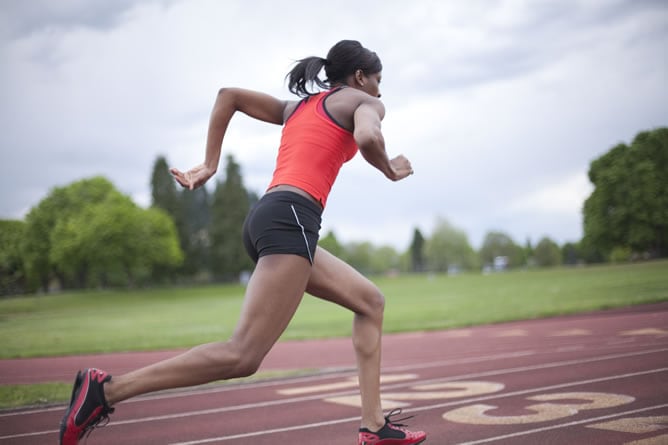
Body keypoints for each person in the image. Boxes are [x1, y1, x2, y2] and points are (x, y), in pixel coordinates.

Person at [59, 39, 426, 445]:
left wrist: (211, 164)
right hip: (291, 220)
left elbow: (227, 97)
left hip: (271, 216)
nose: (379, 90)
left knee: (370, 302)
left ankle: (373, 426)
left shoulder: (298, 107)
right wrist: (390, 169)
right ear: (359, 77)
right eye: (377, 80)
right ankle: (106, 391)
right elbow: (368, 137)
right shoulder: (365, 102)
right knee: (243, 355)